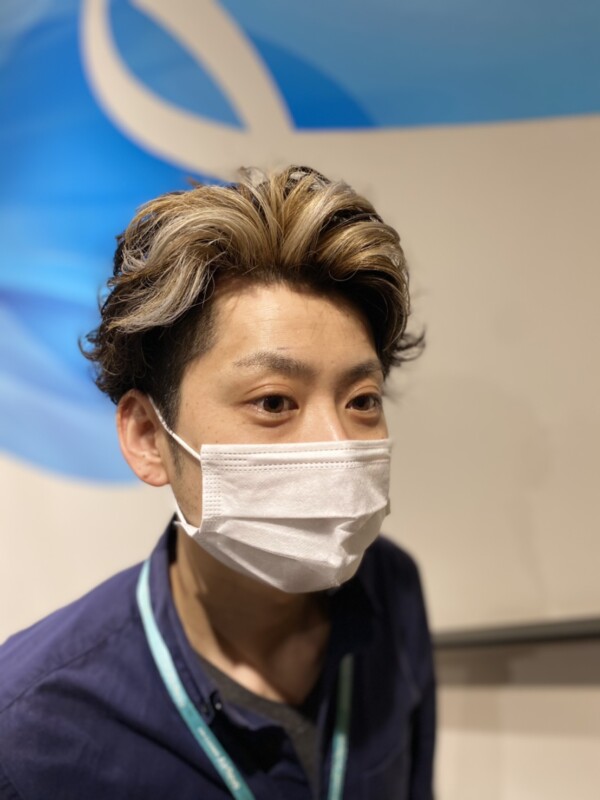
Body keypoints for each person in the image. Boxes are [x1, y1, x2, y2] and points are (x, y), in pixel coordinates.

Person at [0, 166, 435, 799]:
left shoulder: (393, 592)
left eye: (362, 400)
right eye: (274, 401)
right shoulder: (30, 732)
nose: (338, 446)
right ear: (148, 437)